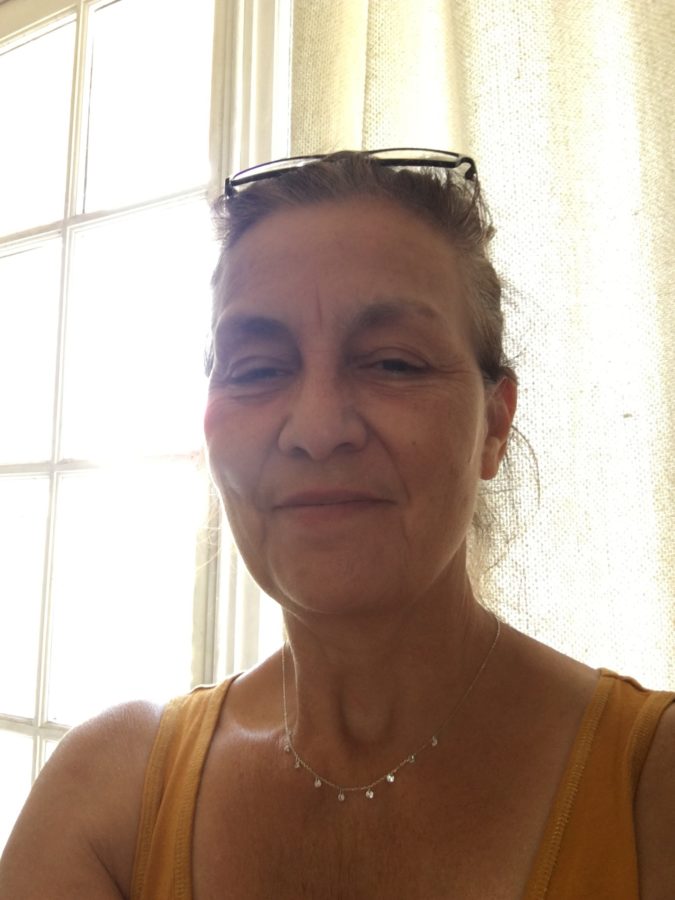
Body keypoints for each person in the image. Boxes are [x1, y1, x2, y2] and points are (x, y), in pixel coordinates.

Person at [1, 149, 674, 900]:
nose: (317, 429)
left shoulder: (648, 786)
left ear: (494, 424)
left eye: (392, 363)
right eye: (258, 368)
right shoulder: (110, 798)